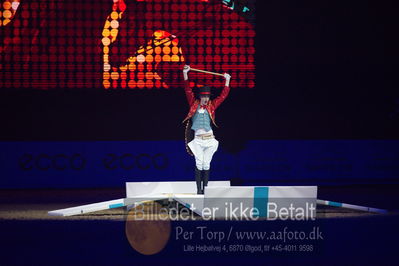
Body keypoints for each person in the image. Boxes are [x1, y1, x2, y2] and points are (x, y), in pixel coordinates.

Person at [182, 65, 231, 194]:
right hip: (198, 140)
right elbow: (187, 90)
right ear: (200, 97)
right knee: (199, 163)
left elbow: (223, 96)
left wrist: (227, 81)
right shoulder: (194, 104)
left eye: (207, 97)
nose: (205, 99)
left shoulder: (212, 106)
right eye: (203, 97)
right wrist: (185, 73)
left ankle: (206, 190)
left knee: (207, 164)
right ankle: (199, 190)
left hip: (209, 139)